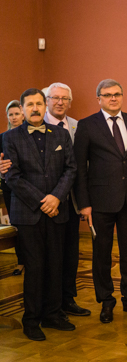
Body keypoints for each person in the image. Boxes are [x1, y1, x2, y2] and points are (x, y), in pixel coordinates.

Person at [73, 79, 127, 324]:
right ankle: (106, 301)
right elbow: (79, 168)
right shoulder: (87, 125)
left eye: (117, 94)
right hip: (99, 202)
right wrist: (84, 203)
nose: (113, 98)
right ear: (99, 99)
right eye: (107, 95)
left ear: (122, 96)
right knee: (102, 255)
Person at [3, 88, 77, 341]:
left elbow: (71, 169)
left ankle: (53, 315)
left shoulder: (61, 134)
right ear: (22, 109)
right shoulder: (10, 137)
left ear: (45, 107)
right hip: (28, 213)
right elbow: (12, 176)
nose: (35, 108)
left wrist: (56, 197)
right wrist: (42, 201)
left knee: (56, 265)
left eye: (38, 104)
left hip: (57, 211)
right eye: (29, 105)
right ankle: (31, 320)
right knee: (34, 268)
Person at [43, 83, 91, 318]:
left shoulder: (77, 126)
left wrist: (84, 201)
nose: (60, 102)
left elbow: (81, 166)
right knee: (50, 256)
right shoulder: (35, 125)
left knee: (71, 254)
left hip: (71, 202)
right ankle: (50, 304)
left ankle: (68, 299)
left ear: (70, 103)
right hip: (46, 204)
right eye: (55, 98)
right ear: (47, 101)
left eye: (65, 99)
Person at [1, 100, 25, 275]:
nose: (14, 117)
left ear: (23, 115)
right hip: (9, 187)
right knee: (16, 225)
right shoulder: (2, 137)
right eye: (11, 114)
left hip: (28, 185)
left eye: (17, 114)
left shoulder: (29, 136)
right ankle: (21, 261)